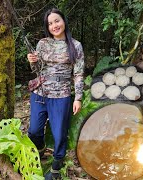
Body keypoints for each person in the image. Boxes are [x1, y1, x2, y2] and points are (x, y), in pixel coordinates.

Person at [27, 8, 84, 179]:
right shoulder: (43, 43)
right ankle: (41, 148)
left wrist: (78, 98)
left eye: (57, 21)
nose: (54, 25)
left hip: (62, 94)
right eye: (50, 23)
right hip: (40, 92)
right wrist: (32, 61)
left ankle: (56, 168)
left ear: (64, 21)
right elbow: (37, 70)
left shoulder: (75, 45)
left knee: (59, 134)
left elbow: (79, 73)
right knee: (34, 131)